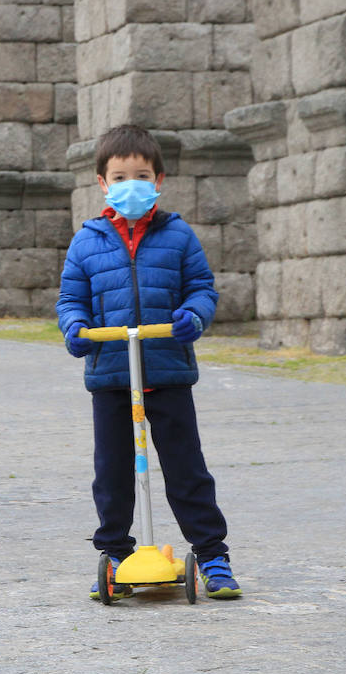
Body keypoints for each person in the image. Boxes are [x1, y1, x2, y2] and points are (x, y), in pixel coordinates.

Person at [55, 124, 241, 601]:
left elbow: (202, 288)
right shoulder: (87, 241)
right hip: (112, 373)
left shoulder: (177, 236)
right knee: (113, 470)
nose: (129, 184)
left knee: (185, 467)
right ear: (102, 182)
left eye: (140, 175)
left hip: (167, 369)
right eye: (119, 176)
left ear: (158, 180)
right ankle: (115, 552)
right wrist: (77, 329)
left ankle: (212, 553)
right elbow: (71, 298)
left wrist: (193, 316)